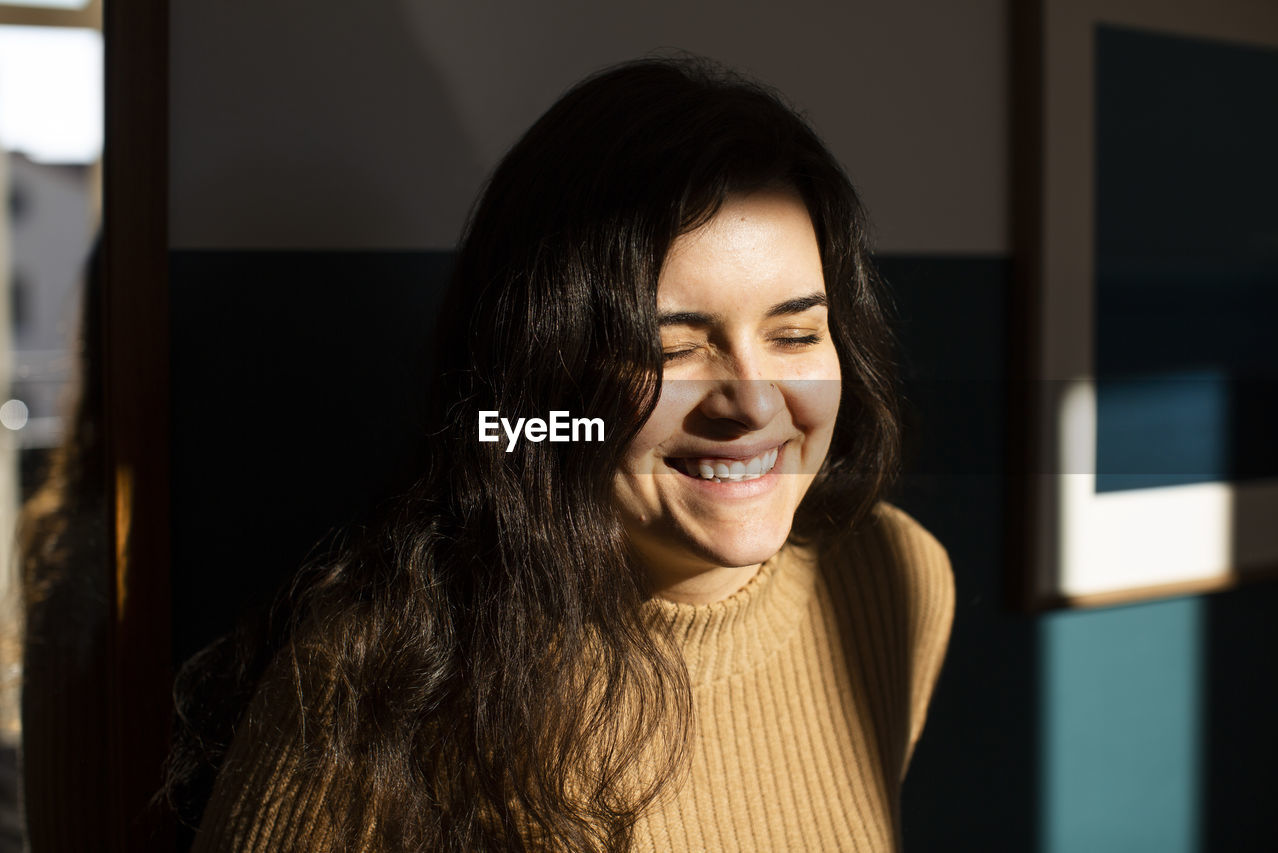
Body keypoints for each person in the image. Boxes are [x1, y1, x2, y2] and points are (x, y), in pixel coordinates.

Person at [180, 55, 954, 852]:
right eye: (672, 350)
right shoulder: (363, 693)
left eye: (795, 334)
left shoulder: (894, 580)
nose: (753, 403)